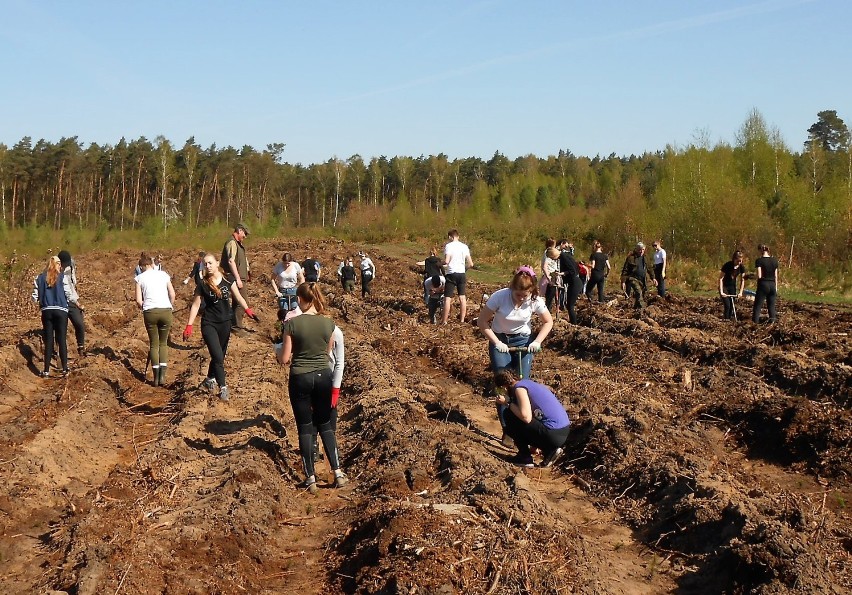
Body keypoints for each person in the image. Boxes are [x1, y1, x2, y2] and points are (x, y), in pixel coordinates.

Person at [277, 282, 348, 494]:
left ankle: (310, 478)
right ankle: (337, 472)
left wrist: (277, 350)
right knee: (325, 424)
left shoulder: (291, 324)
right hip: (323, 377)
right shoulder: (329, 324)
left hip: (300, 377)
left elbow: (285, 358)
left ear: (301, 299)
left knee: (305, 427)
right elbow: (327, 355)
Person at [183, 253, 257, 402]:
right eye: (205, 264)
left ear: (217, 263)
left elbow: (238, 297)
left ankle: (210, 378)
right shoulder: (203, 284)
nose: (208, 266)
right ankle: (223, 387)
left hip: (225, 323)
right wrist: (189, 325)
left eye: (210, 263)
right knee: (217, 356)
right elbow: (196, 304)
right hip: (209, 323)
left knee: (220, 356)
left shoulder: (228, 280)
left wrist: (248, 310)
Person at [478, 266, 553, 379]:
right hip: (500, 339)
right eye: (518, 294)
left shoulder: (535, 300)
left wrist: (537, 341)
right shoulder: (500, 297)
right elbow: (482, 321)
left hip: (523, 341)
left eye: (525, 295)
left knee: (522, 380)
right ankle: (503, 396)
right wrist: (497, 342)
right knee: (504, 379)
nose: (521, 298)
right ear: (512, 288)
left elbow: (548, 322)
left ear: (531, 291)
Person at [494, 367, 570, 468]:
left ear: (504, 387)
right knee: (517, 413)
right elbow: (537, 416)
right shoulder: (528, 384)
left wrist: (507, 402)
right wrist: (534, 447)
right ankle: (550, 451)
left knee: (509, 414)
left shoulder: (519, 389)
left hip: (552, 433)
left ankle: (524, 457)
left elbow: (526, 417)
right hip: (563, 432)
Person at [135, 254, 176, 386]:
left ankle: (156, 378)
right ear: (151, 264)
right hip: (166, 310)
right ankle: (163, 376)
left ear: (143, 266)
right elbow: (172, 294)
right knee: (163, 343)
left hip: (150, 312)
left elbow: (138, 300)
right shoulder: (163, 275)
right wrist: (170, 305)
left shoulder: (139, 278)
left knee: (154, 344)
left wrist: (146, 308)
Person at [32, 256, 71, 378]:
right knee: (61, 339)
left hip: (46, 311)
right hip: (61, 310)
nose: (61, 266)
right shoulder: (63, 277)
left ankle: (46, 370)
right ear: (57, 264)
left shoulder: (39, 278)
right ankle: (64, 369)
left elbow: (34, 297)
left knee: (49, 341)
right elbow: (69, 293)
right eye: (59, 263)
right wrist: (71, 303)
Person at [221, 223, 251, 330]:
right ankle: (237, 327)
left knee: (236, 302)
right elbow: (231, 261)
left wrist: (247, 272)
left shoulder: (238, 244)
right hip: (235, 277)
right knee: (242, 302)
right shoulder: (232, 243)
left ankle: (234, 324)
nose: (245, 237)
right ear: (239, 230)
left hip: (240, 277)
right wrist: (237, 278)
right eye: (245, 233)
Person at [442, 229, 474, 324]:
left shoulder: (449, 246)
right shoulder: (464, 247)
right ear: (458, 236)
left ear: (450, 237)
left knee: (447, 298)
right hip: (461, 274)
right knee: (462, 297)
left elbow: (447, 261)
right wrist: (464, 269)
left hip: (451, 273)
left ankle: (444, 321)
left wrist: (440, 263)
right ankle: (462, 320)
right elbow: (471, 264)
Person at [58, 250, 86, 357]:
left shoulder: (71, 266)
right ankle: (59, 352)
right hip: (60, 302)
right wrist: (78, 303)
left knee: (79, 324)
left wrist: (76, 301)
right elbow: (66, 290)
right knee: (61, 329)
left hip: (71, 301)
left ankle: (81, 347)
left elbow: (72, 284)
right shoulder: (55, 270)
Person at [620, 242, 656, 309]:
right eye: (640, 249)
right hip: (632, 278)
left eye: (643, 249)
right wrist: (623, 282)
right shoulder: (631, 258)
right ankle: (643, 309)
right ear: (636, 249)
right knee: (638, 292)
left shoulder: (645, 258)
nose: (641, 251)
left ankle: (636, 309)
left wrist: (653, 278)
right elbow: (625, 270)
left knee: (643, 294)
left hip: (643, 279)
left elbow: (650, 269)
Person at [752, 244, 779, 323]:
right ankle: (772, 325)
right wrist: (776, 287)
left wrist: (751, 276)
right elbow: (776, 276)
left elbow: (759, 275)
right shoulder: (774, 261)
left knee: (757, 306)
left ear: (760, 250)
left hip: (763, 284)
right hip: (772, 285)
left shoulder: (759, 261)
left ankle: (754, 324)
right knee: (771, 307)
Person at [557, 239, 582, 323]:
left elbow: (572, 271)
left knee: (570, 305)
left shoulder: (563, 256)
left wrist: (562, 274)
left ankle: (574, 324)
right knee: (569, 305)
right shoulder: (566, 256)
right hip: (574, 282)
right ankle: (573, 323)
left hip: (575, 283)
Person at [719, 250, 747, 320]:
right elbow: (720, 278)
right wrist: (721, 291)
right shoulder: (727, 265)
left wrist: (740, 292)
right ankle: (726, 320)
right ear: (734, 259)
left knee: (732, 305)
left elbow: (742, 280)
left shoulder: (741, 267)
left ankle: (729, 320)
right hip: (724, 286)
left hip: (732, 287)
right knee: (727, 305)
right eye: (738, 261)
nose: (739, 262)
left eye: (741, 261)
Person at [540, 239, 560, 312]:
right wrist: (548, 277)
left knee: (550, 295)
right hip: (550, 275)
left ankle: (548, 309)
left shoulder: (548, 251)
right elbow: (544, 266)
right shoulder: (549, 252)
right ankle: (547, 310)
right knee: (550, 294)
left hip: (551, 274)